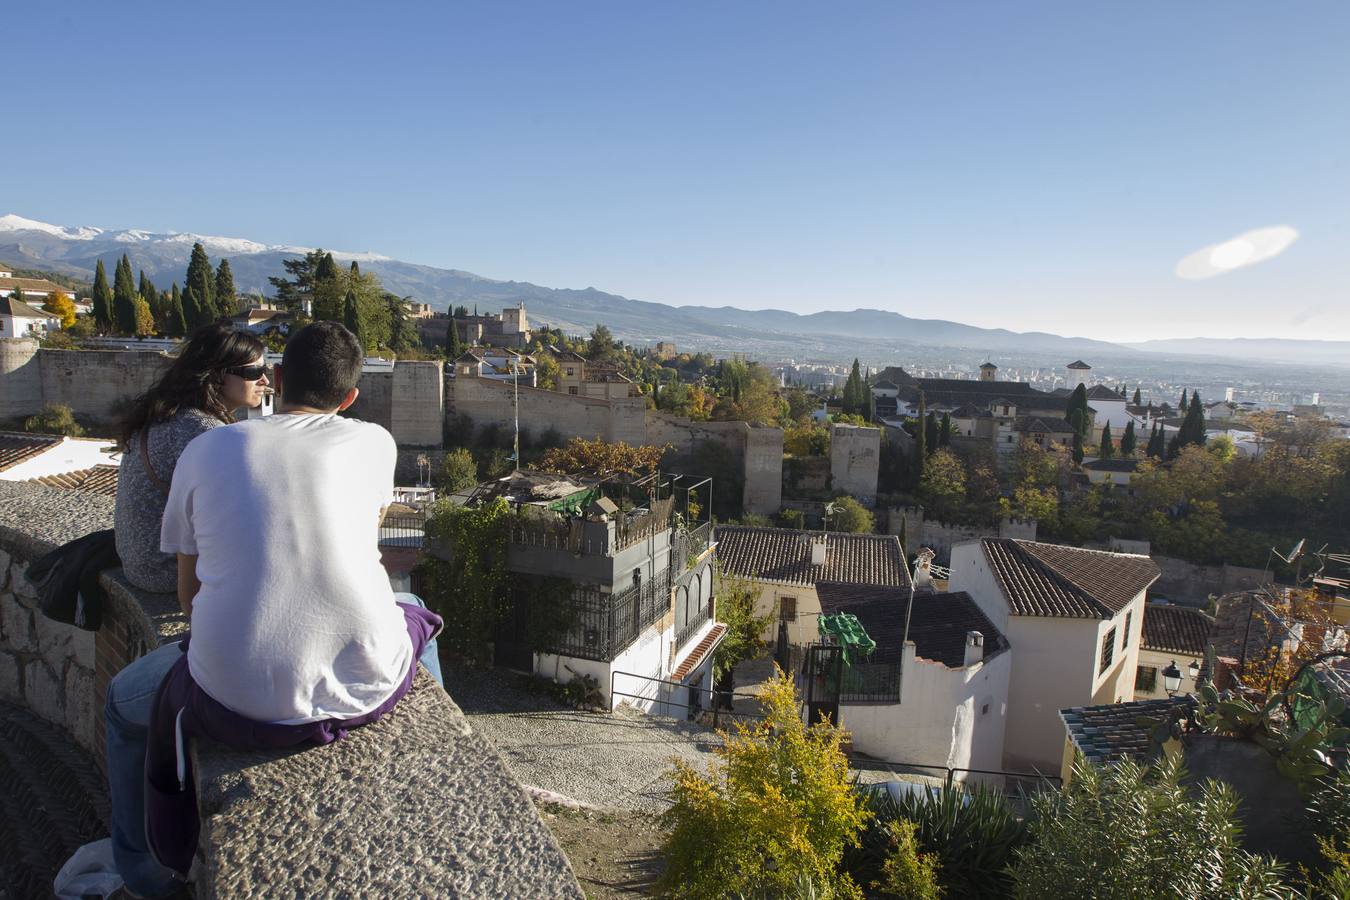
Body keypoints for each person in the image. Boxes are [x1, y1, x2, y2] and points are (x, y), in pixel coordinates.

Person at [103, 321, 442, 898]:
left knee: (120, 705)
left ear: (278, 380)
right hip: (368, 694)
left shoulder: (206, 448)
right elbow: (364, 539)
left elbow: (189, 598)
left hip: (231, 704)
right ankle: (432, 758)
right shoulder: (376, 443)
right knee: (414, 609)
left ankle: (142, 871)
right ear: (351, 397)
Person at [114, 324, 270, 592]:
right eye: (254, 372)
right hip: (167, 571)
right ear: (218, 376)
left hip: (140, 564)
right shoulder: (202, 430)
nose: (264, 381)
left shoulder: (168, 415)